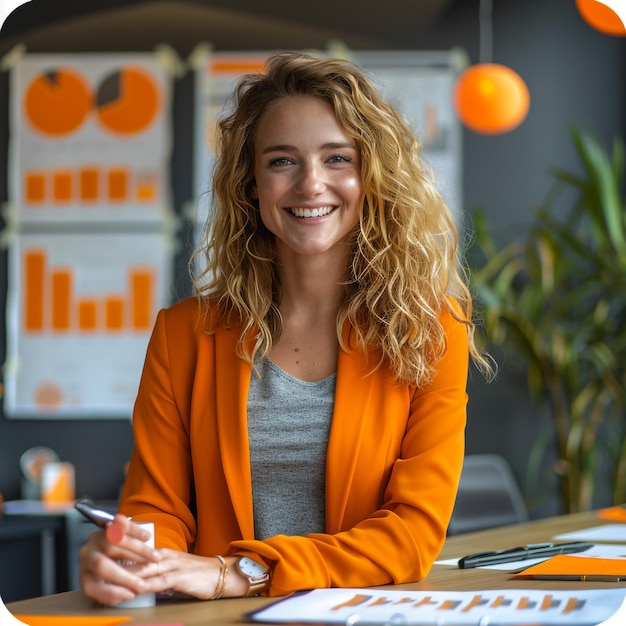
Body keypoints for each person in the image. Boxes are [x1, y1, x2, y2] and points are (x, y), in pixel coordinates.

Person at [79, 51, 492, 605]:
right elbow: (157, 508)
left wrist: (239, 573)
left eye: (338, 158)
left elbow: (411, 536)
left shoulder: (430, 332)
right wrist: (134, 557)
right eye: (281, 161)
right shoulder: (183, 335)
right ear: (251, 184)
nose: (310, 184)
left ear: (372, 178)